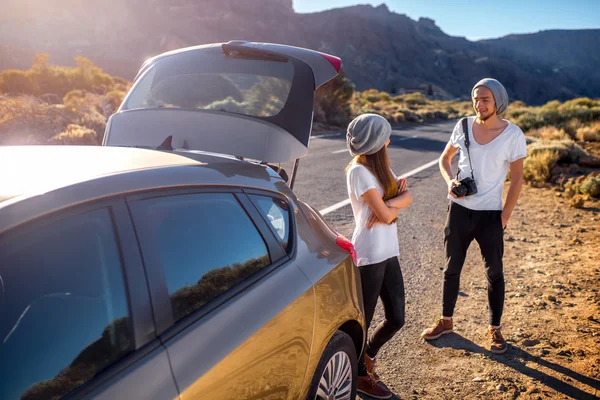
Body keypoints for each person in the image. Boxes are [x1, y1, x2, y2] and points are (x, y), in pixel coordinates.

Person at [421, 78, 527, 354]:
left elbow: (517, 180)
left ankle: (495, 330)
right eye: (476, 99)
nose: (479, 104)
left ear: (498, 102)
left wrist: (504, 216)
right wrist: (449, 183)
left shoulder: (513, 135)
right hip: (458, 211)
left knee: (495, 273)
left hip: (490, 215)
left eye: (485, 99)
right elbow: (444, 160)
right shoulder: (463, 125)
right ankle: (445, 322)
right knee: (450, 268)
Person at [345, 113, 413, 399]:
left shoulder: (382, 168)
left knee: (397, 317)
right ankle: (358, 374)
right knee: (364, 320)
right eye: (385, 134)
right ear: (376, 140)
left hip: (389, 251)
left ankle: (367, 357)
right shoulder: (359, 172)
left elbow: (405, 199)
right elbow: (388, 213)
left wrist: (389, 204)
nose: (389, 139)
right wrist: (392, 204)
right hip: (370, 253)